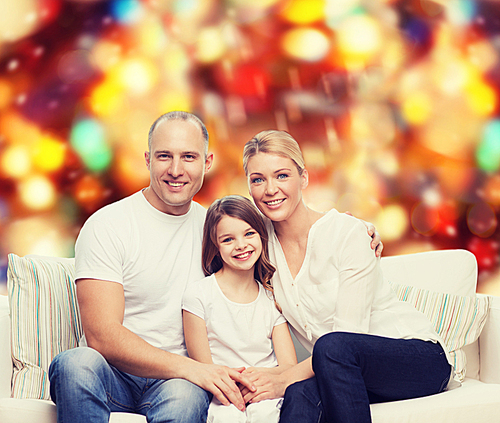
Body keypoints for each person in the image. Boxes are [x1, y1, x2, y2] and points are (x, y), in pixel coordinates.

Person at [48, 111, 381, 423]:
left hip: (180, 382)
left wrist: (353, 230)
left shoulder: (218, 227)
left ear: (207, 162)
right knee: (74, 363)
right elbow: (101, 335)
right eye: (164, 156)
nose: (176, 170)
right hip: (119, 373)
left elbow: (279, 227)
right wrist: (196, 370)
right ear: (148, 160)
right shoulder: (109, 224)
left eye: (189, 157)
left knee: (182, 399)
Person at [238, 129, 454, 423]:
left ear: (304, 178)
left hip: (417, 360)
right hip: (341, 371)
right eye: (258, 179)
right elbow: (218, 226)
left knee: (332, 345)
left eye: (282, 176)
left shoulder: (347, 234)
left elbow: (348, 336)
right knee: (299, 395)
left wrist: (283, 378)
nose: (270, 189)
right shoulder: (258, 247)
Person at [182, 195, 297, 423]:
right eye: (228, 239)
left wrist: (259, 379)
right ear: (215, 247)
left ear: (261, 236)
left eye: (249, 233)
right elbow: (204, 367)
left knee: (266, 415)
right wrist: (236, 383)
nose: (241, 245)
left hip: (266, 391)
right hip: (221, 393)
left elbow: (288, 366)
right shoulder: (198, 295)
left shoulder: (271, 297)